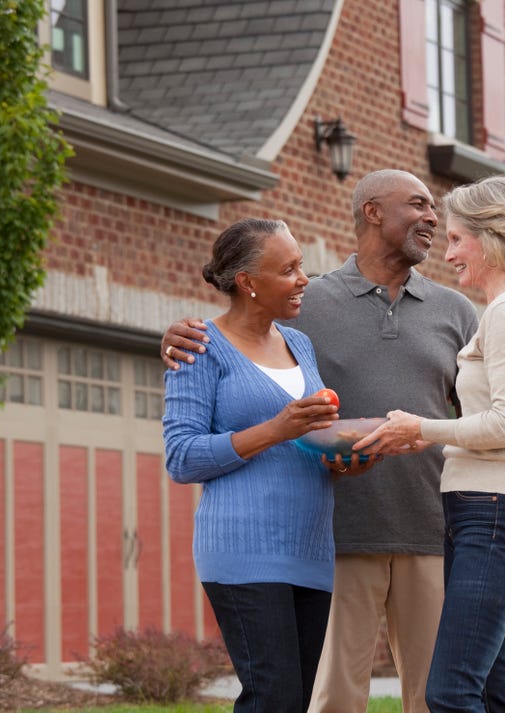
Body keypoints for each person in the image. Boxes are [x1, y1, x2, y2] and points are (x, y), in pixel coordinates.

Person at [160, 170, 479, 713]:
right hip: (324, 537)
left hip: (408, 527)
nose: (433, 217)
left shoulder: (449, 313)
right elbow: (194, 435)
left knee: (429, 698)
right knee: (313, 699)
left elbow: (477, 416)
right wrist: (175, 338)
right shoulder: (297, 311)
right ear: (373, 212)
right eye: (419, 204)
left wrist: (344, 460)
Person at [353, 176, 505, 712]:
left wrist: (419, 429)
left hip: (496, 513)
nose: (447, 255)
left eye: (457, 240)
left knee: (450, 692)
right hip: (489, 511)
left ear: (492, 238)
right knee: (488, 692)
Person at [162, 217, 365, 713]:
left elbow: (307, 441)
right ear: (247, 282)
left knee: (293, 701)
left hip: (310, 549)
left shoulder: (300, 345)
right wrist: (276, 428)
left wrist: (344, 459)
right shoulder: (199, 348)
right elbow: (181, 457)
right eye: (289, 269)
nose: (304, 280)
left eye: (302, 267)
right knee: (271, 698)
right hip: (243, 551)